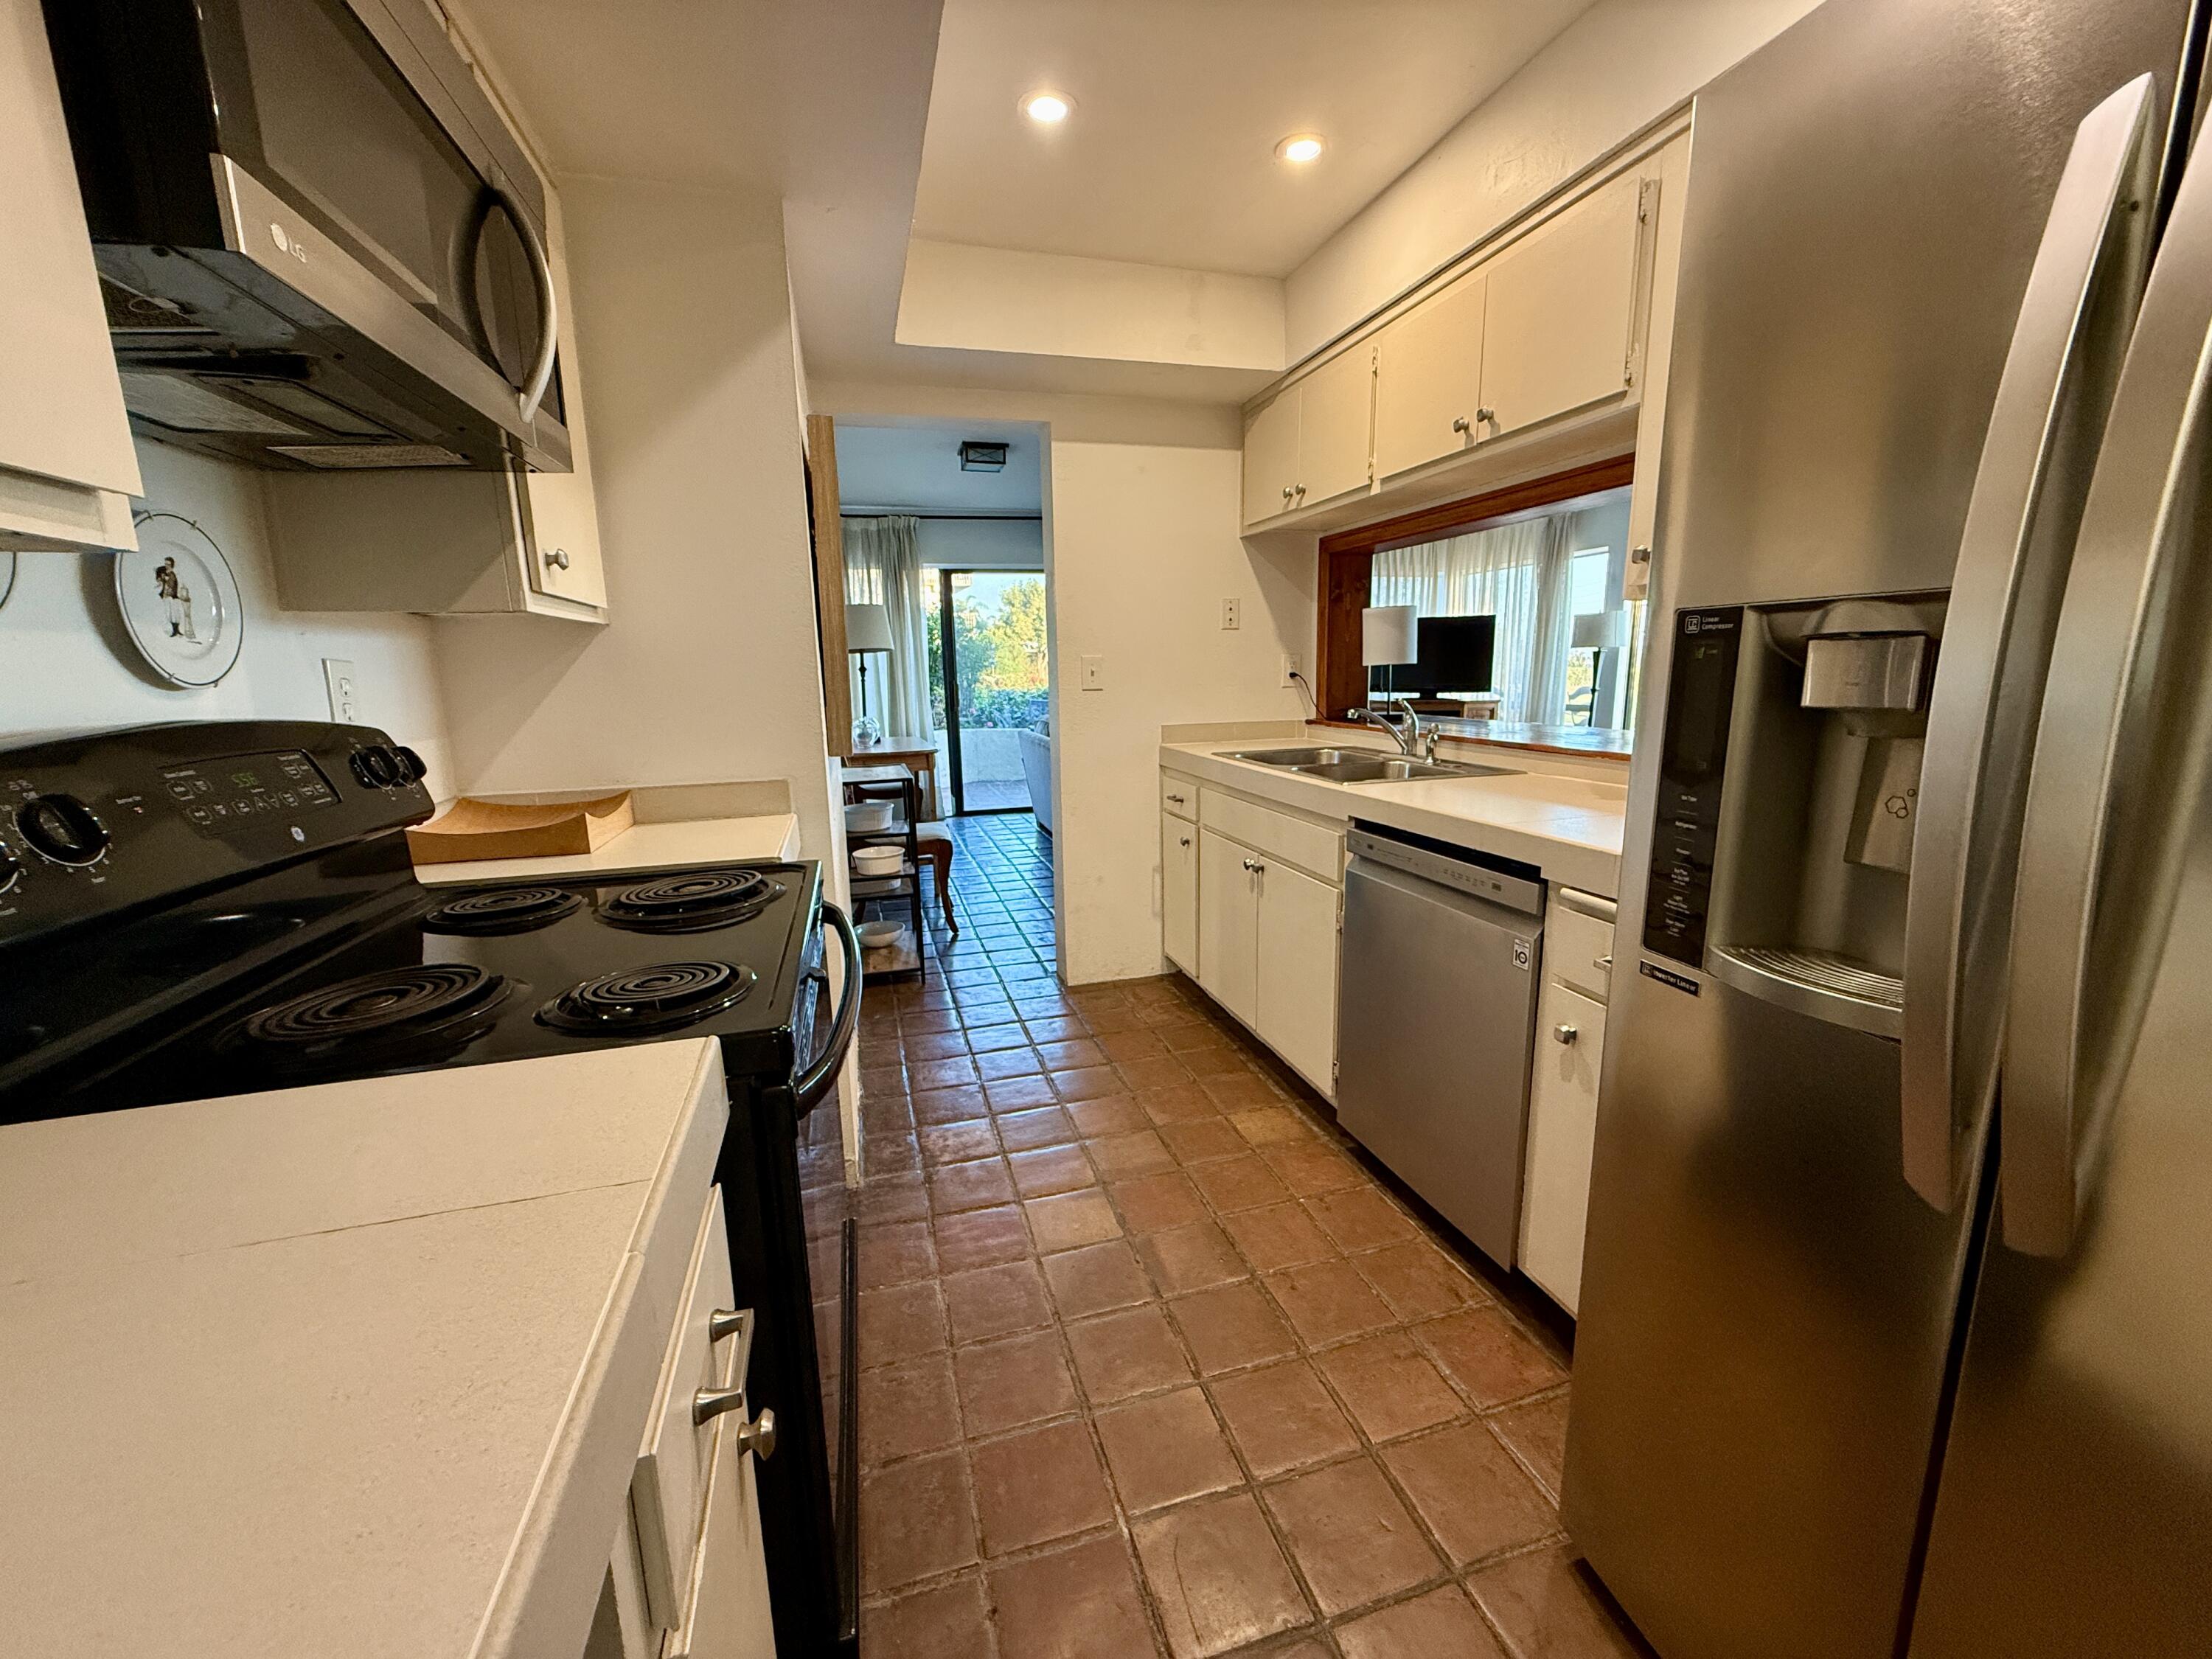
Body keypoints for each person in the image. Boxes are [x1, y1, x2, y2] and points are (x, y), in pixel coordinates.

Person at [155, 556, 196, 641]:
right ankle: (173, 630)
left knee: (176, 613)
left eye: (168, 564)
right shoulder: (163, 571)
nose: (167, 566)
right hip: (166, 596)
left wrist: (166, 579)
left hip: (173, 596)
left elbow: (172, 584)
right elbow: (158, 575)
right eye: (166, 564)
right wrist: (160, 579)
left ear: (172, 565)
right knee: (169, 613)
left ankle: (177, 630)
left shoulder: (173, 574)